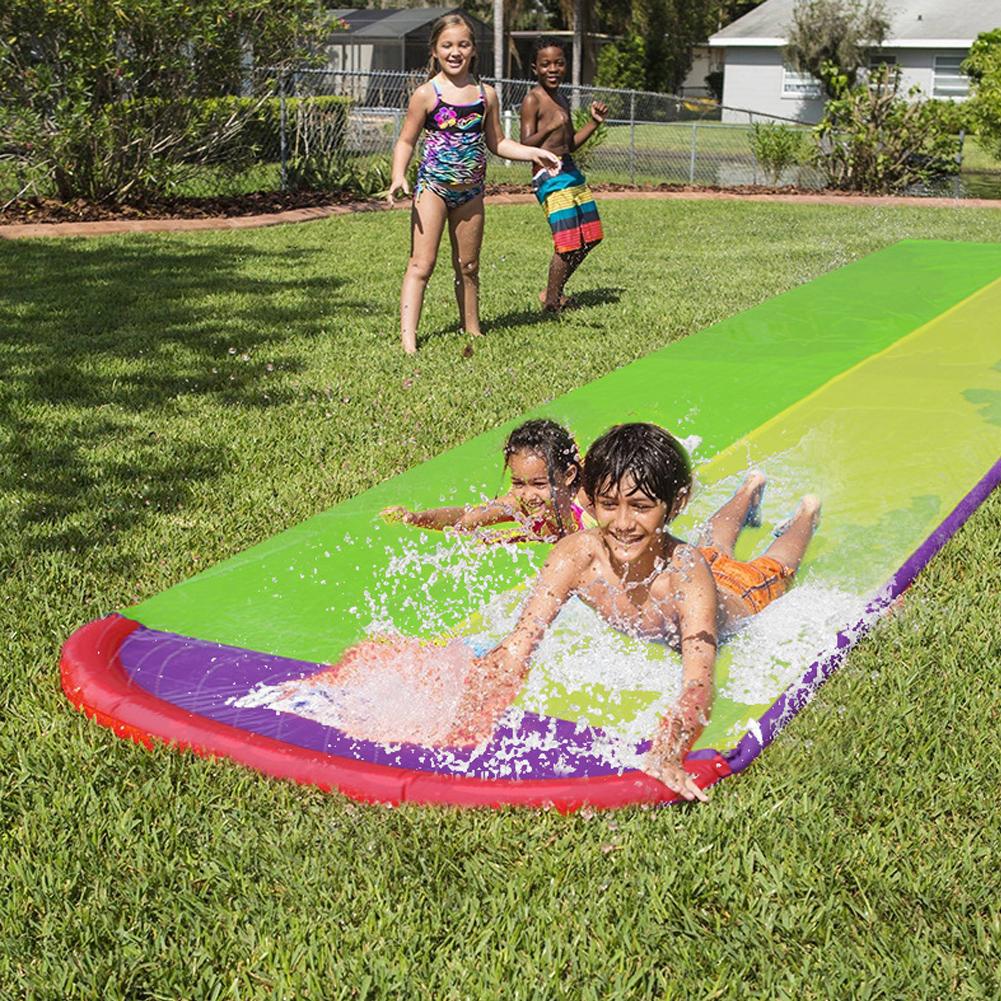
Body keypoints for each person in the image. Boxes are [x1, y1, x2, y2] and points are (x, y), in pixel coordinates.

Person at [452, 423, 821, 801]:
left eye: (641, 507)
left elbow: (698, 683)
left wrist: (669, 749)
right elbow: (518, 646)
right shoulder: (575, 556)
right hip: (686, 561)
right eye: (609, 505)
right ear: (591, 501)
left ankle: (807, 514)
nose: (624, 524)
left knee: (773, 568)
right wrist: (466, 724)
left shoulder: (685, 576)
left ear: (675, 504)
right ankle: (749, 489)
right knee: (714, 541)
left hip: (737, 593)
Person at [388, 14, 562, 355]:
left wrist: (533, 152)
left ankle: (472, 329)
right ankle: (409, 339)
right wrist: (398, 174)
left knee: (468, 266)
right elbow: (406, 140)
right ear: (435, 51)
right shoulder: (426, 94)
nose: (455, 52)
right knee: (421, 265)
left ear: (473, 50)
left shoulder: (486, 95)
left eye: (463, 45)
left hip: (471, 192)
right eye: (447, 45)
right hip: (433, 189)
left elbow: (497, 142)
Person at [382, 418, 591, 543]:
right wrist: (417, 517)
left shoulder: (591, 500)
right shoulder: (520, 506)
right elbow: (465, 518)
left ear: (568, 476)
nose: (528, 495)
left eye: (539, 484)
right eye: (519, 483)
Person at [519, 37, 607, 312]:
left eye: (558, 63)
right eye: (546, 64)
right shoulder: (533, 99)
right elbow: (524, 145)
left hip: (569, 168)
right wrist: (549, 128)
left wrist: (593, 123)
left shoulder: (562, 98)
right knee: (568, 241)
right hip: (548, 174)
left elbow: (568, 145)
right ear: (535, 68)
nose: (553, 69)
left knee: (591, 235)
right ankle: (553, 303)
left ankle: (552, 292)